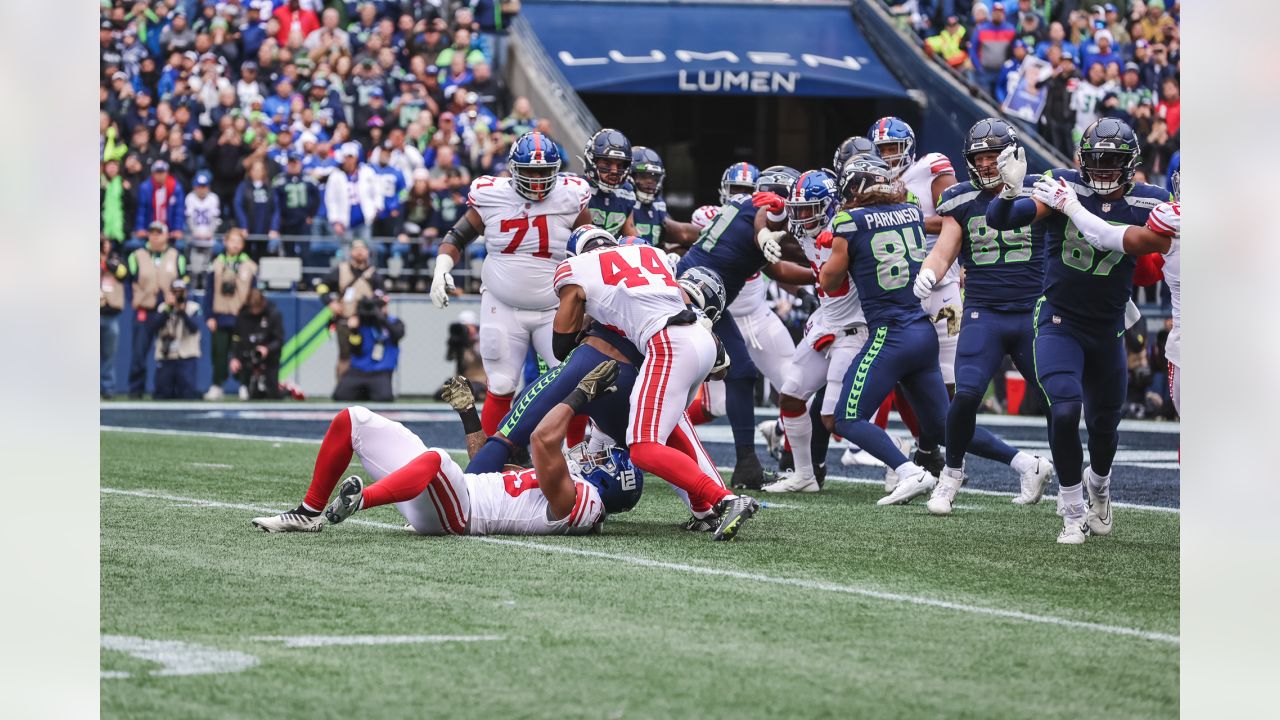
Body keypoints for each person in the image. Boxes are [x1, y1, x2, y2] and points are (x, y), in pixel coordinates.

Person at [986, 118, 1172, 544]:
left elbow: (1121, 241)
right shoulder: (1062, 185)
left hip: (1108, 328)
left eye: (1114, 163)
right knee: (1066, 410)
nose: (1104, 171)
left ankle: (1099, 487)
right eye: (1097, 162)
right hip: (1059, 319)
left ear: (1132, 165)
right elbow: (1003, 220)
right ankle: (1072, 510)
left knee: (1106, 426)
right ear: (1081, 161)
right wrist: (1008, 191)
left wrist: (1073, 207)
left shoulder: (1149, 202)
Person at [250, 366, 639, 536]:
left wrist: (578, 394)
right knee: (355, 420)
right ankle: (309, 514)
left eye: (601, 460)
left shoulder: (583, 501)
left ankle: (357, 501)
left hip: (460, 515)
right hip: (450, 494)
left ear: (607, 482)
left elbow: (541, 439)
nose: (590, 453)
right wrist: (470, 415)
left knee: (436, 459)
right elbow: (486, 469)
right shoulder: (564, 482)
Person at [552, 228, 760, 540]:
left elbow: (560, 347)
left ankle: (724, 499)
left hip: (668, 343)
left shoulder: (582, 271)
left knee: (643, 449)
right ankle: (706, 509)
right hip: (693, 338)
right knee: (671, 430)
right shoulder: (649, 259)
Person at [914, 118, 1055, 513]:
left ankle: (1075, 488)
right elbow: (945, 248)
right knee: (965, 397)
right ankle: (951, 476)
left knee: (1057, 402)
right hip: (984, 313)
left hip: (1034, 312)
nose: (988, 163)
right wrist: (929, 271)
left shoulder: (1040, 190)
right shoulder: (960, 198)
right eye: (981, 157)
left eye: (994, 155)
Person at [428, 131, 594, 437]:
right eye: (529, 170)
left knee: (575, 381)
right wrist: (441, 267)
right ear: (513, 169)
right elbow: (458, 235)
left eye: (544, 172)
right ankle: (493, 463)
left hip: (555, 307)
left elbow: (592, 246)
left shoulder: (571, 196)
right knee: (502, 383)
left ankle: (575, 456)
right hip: (502, 304)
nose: (536, 179)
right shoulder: (492, 194)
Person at [818, 156, 951, 506]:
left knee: (846, 417)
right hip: (922, 328)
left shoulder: (849, 221)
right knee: (943, 427)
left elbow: (828, 280)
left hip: (889, 333)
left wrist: (835, 250)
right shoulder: (909, 208)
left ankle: (909, 471)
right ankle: (1023, 462)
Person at [678, 166, 815, 489]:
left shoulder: (746, 211)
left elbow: (779, 264)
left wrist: (818, 275)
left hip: (712, 299)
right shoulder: (765, 208)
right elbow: (766, 218)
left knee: (741, 373)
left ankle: (746, 463)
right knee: (678, 385)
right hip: (691, 297)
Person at [763, 170, 864, 494]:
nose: (803, 216)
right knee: (791, 397)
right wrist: (776, 216)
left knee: (834, 418)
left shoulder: (847, 227)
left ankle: (901, 459)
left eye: (811, 209)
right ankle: (804, 474)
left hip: (855, 327)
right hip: (827, 322)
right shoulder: (805, 227)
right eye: (799, 209)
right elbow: (779, 230)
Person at [126, 222, 187, 398]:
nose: (155, 236)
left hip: (168, 310)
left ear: (166, 236)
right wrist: (135, 300)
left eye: (159, 233)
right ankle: (136, 390)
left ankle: (167, 390)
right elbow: (130, 281)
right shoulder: (137, 255)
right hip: (145, 309)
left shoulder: (176, 256)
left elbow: (182, 282)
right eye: (152, 233)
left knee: (170, 351)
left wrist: (176, 299)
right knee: (139, 352)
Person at [316, 239, 386, 379]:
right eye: (356, 249)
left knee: (368, 356)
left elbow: (381, 297)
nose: (359, 252)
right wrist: (330, 302)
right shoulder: (340, 270)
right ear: (350, 252)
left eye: (363, 249)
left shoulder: (374, 274)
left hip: (367, 323)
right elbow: (321, 286)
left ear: (368, 252)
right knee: (344, 357)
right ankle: (341, 389)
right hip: (344, 321)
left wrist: (362, 315)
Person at [203, 229, 258, 401]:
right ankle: (217, 385)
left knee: (243, 353)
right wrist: (209, 316)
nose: (234, 244)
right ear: (225, 242)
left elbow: (254, 294)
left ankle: (243, 384)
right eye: (231, 240)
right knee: (218, 353)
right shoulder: (217, 263)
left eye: (238, 241)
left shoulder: (249, 265)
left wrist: (251, 316)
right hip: (220, 315)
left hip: (241, 316)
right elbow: (209, 292)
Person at [333, 293, 405, 401]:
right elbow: (355, 350)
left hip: (380, 371)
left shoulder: (393, 322)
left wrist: (381, 319)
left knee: (384, 397)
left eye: (381, 306)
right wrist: (354, 331)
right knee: (340, 395)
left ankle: (369, 391)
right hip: (358, 370)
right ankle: (364, 391)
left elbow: (398, 334)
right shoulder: (360, 322)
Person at [628, 146, 700, 248]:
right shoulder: (623, 198)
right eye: (643, 176)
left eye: (654, 177)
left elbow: (682, 232)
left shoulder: (657, 203)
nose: (650, 182)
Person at [581, 128, 639, 237]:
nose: (614, 171)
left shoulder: (626, 193)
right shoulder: (577, 189)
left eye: (620, 165)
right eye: (606, 164)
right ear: (591, 161)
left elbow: (631, 236)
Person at [324, 141, 383, 247]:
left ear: (356, 157)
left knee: (365, 247)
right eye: (346, 157)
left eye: (351, 157)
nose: (348, 160)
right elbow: (330, 200)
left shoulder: (367, 172)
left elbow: (377, 191)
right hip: (344, 219)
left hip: (364, 216)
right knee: (346, 249)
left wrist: (376, 209)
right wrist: (335, 221)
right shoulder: (335, 176)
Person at [231, 288, 285, 400]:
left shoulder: (273, 314)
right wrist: (235, 358)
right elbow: (236, 337)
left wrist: (267, 349)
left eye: (257, 308)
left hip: (269, 357)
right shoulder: (243, 315)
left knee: (273, 394)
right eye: (253, 308)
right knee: (253, 394)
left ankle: (285, 389)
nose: (255, 311)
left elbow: (279, 340)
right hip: (247, 356)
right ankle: (244, 384)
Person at [153, 279, 203, 400]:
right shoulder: (163, 307)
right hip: (167, 356)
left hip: (186, 356)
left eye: (181, 292)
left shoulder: (193, 307)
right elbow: (155, 327)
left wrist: (182, 311)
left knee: (188, 394)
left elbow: (194, 328)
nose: (178, 295)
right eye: (175, 292)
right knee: (162, 394)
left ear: (186, 293)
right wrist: (168, 309)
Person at [273, 151, 322, 257]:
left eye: (296, 162)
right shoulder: (280, 180)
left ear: (300, 164)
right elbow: (275, 201)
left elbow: (317, 198)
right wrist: (280, 218)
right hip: (286, 222)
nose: (293, 165)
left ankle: (306, 273)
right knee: (288, 251)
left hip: (304, 221)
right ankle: (290, 273)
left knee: (305, 251)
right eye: (291, 162)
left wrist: (311, 215)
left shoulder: (308, 179)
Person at [133, 160, 185, 252]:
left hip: (170, 229)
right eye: (157, 172)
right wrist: (141, 228)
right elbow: (142, 210)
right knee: (137, 244)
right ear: (153, 173)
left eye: (162, 172)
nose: (160, 175)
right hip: (150, 228)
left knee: (180, 246)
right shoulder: (145, 188)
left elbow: (179, 211)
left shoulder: (175, 187)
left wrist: (177, 229)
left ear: (167, 173)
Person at [234, 160, 282, 260]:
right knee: (246, 255)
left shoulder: (269, 188)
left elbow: (276, 208)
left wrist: (274, 228)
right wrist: (243, 225)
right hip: (248, 228)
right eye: (255, 170)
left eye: (260, 170)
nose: (257, 172)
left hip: (264, 227)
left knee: (263, 255)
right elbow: (238, 205)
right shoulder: (243, 187)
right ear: (250, 171)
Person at [101, 239, 128, 400]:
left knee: (108, 356)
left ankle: (107, 388)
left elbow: (122, 273)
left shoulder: (116, 259)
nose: (104, 245)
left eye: (105, 242)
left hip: (110, 315)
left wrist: (104, 260)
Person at [184, 171, 221, 281]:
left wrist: (210, 232)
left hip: (209, 239)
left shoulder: (213, 198)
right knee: (194, 270)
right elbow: (189, 218)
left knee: (207, 269)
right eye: (199, 186)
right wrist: (194, 232)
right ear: (194, 187)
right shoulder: (190, 198)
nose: (201, 189)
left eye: (204, 187)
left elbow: (215, 218)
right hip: (194, 239)